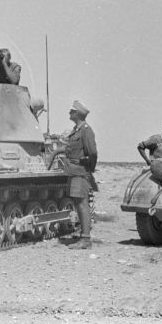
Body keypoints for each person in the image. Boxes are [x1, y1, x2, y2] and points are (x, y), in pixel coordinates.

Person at [64, 100, 98, 250]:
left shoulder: (85, 130)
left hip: (80, 171)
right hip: (74, 170)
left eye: (72, 111)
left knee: (82, 204)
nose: (69, 113)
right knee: (78, 203)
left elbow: (92, 152)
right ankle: (83, 236)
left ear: (78, 114)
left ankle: (85, 239)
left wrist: (89, 168)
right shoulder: (77, 130)